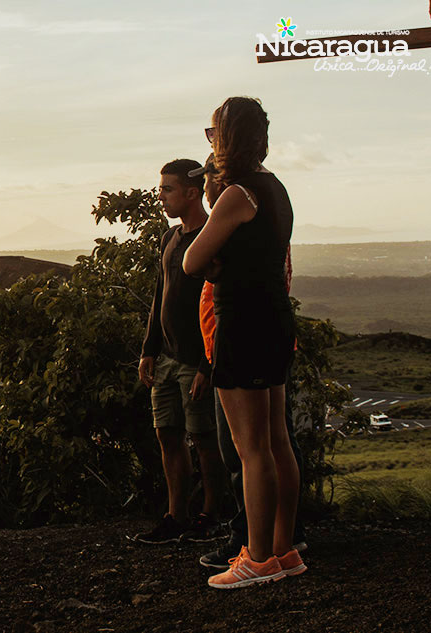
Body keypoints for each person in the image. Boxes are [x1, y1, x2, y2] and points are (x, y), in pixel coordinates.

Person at [183, 97, 304, 588]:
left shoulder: (238, 194)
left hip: (243, 325)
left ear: (227, 139)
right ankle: (283, 550)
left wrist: (215, 261)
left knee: (251, 448)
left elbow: (192, 261)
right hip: (274, 321)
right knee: (276, 441)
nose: (210, 144)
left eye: (214, 135)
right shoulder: (274, 187)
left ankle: (255, 558)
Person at [132, 158, 226, 545]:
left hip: (196, 360)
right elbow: (160, 295)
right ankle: (176, 517)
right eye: (160, 189)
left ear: (192, 192)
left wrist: (208, 364)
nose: (161, 197)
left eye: (167, 190)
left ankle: (212, 516)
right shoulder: (169, 239)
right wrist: (148, 349)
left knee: (204, 438)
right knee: (167, 435)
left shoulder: (211, 235)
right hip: (167, 358)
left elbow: (218, 303)